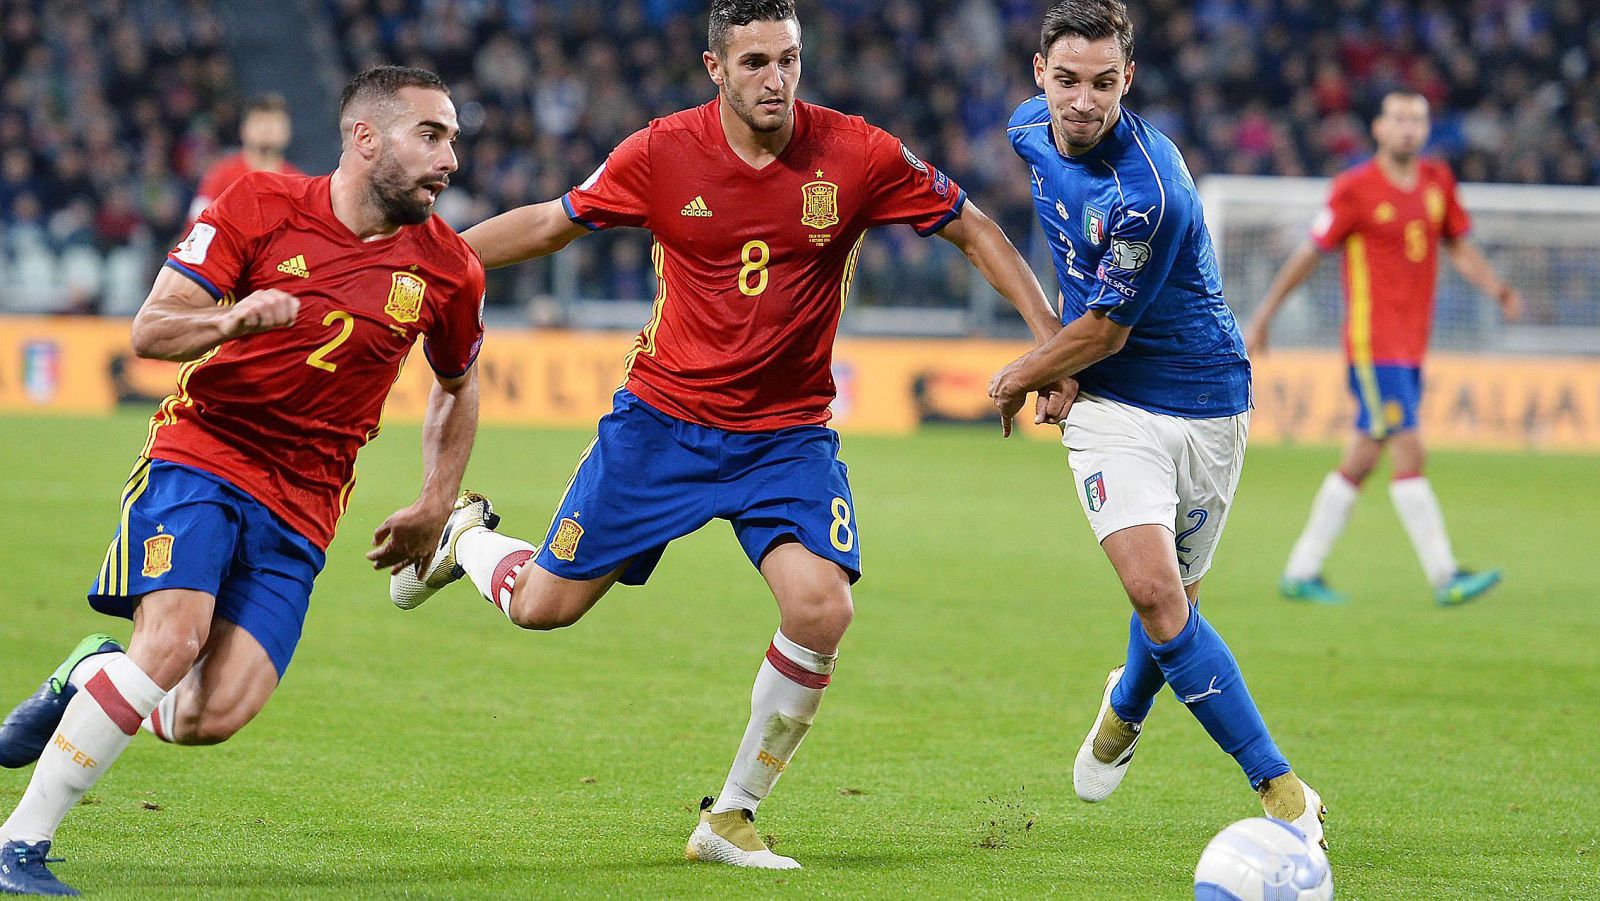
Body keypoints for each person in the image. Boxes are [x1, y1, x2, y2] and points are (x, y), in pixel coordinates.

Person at [389, 0, 1068, 870]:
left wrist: (1049, 339)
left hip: (785, 437)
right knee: (542, 608)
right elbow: (556, 219)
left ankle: (731, 817)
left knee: (823, 605)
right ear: (716, 69)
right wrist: (433, 261)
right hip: (663, 426)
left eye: (788, 59)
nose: (776, 79)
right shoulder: (663, 151)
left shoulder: (856, 152)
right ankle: (467, 540)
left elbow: (969, 224)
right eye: (754, 63)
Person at [0, 66, 485, 896]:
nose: (450, 159)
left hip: (305, 502)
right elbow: (151, 328)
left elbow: (458, 382)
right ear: (365, 139)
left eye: (454, 141)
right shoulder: (257, 206)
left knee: (206, 716)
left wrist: (437, 499)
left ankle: (86, 673)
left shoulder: (449, 270)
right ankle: (19, 845)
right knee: (172, 640)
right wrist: (228, 318)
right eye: (431, 136)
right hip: (206, 452)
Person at [987, 0, 1326, 849]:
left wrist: (1026, 372)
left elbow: (1105, 328)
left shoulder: (1153, 192)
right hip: (1113, 410)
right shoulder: (1028, 130)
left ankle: (1128, 700)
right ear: (1040, 77)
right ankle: (1279, 784)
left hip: (1205, 400)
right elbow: (1069, 252)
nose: (1082, 101)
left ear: (1128, 80)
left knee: (1176, 601)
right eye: (1066, 80)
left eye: (1104, 83)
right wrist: (1059, 364)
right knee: (1153, 590)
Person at [1245, 90, 1521, 607]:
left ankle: (1300, 571)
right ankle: (1445, 576)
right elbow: (1309, 254)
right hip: (1374, 346)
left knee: (1361, 459)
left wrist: (1496, 288)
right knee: (1410, 448)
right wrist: (1262, 318)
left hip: (1413, 346)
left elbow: (1458, 245)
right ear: (1378, 128)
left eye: (1417, 119)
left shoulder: (1438, 181)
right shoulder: (1354, 189)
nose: (1408, 128)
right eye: (1398, 119)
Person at [186, 93, 302, 225]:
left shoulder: (299, 185)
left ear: (288, 132)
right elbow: (196, 225)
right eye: (260, 121)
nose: (268, 128)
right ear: (243, 129)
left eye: (276, 122)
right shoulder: (220, 174)